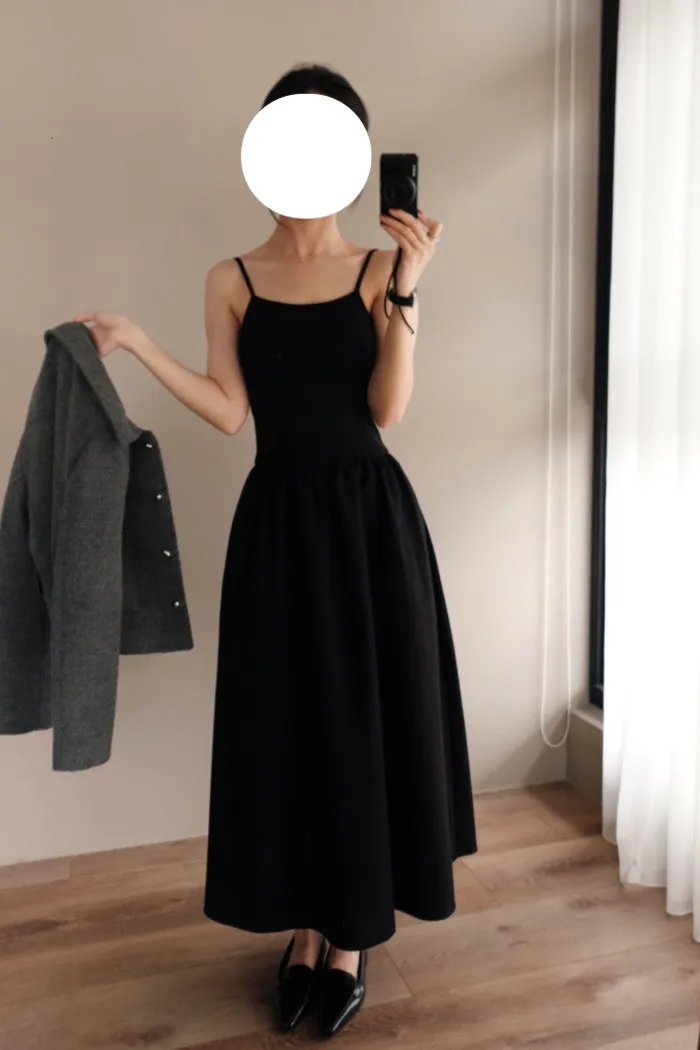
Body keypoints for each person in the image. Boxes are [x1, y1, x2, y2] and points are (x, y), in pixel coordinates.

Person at [74, 63, 477, 1041]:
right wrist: (137, 343)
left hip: (369, 525)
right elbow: (229, 411)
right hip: (278, 529)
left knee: (358, 724)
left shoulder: (379, 269)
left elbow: (386, 411)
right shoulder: (232, 278)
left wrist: (408, 290)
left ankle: (349, 942)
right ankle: (305, 928)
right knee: (290, 723)